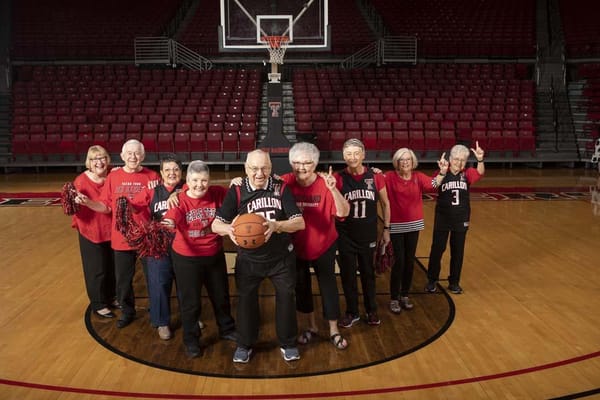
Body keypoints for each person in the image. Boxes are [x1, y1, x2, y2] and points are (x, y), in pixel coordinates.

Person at [212, 149, 305, 363]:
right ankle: (244, 344)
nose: (259, 173)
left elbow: (299, 222)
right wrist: (230, 230)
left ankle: (288, 343)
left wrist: (277, 225)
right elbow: (216, 224)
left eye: (264, 168)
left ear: (271, 169)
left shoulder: (281, 188)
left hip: (280, 258)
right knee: (245, 302)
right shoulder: (236, 190)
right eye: (254, 168)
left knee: (286, 299)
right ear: (246, 169)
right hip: (249, 260)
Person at [77, 139, 160, 328]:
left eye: (137, 153)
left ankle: (157, 311)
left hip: (145, 236)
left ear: (143, 156)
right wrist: (88, 202)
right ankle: (127, 311)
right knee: (123, 280)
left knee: (153, 277)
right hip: (121, 237)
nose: (133, 157)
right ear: (122, 156)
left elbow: (159, 206)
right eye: (129, 153)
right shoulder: (114, 177)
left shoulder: (153, 176)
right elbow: (106, 207)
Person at [162, 160, 237, 358]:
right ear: (187, 181)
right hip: (187, 258)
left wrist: (238, 181)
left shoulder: (217, 193)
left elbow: (235, 192)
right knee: (191, 303)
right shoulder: (179, 200)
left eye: (204, 180)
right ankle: (191, 340)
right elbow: (171, 218)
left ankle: (227, 329)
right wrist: (167, 224)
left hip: (214, 254)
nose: (199, 185)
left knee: (221, 296)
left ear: (209, 180)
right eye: (195, 180)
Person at [281, 142, 350, 350]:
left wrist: (333, 190)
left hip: (323, 245)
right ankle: (310, 327)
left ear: (316, 163)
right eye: (297, 162)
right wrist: (237, 181)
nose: (301, 167)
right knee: (302, 289)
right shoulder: (285, 181)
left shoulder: (327, 182)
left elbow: (344, 212)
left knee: (328, 288)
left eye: (307, 163)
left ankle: (333, 330)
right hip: (297, 246)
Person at [384, 148, 448, 314]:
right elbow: (375, 181)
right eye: (402, 160)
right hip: (396, 226)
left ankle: (404, 295)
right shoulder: (389, 177)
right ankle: (393, 298)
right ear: (396, 162)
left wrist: (442, 171)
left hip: (414, 225)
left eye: (408, 159)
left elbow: (433, 185)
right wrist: (374, 171)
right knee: (399, 263)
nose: (405, 162)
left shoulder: (418, 177)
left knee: (410, 262)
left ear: (413, 162)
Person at [335, 138, 391, 328]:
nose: (352, 157)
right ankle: (352, 312)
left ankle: (371, 310)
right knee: (348, 276)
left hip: (368, 234)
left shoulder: (375, 177)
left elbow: (385, 204)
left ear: (363, 155)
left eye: (356, 153)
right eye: (348, 154)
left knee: (368, 274)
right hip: (345, 235)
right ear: (343, 156)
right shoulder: (337, 178)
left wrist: (387, 229)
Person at [128, 154, 184, 340]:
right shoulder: (152, 191)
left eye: (175, 169)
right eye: (167, 170)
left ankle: (190, 317)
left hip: (183, 242)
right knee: (159, 283)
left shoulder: (188, 187)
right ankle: (162, 322)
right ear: (161, 173)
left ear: (181, 172)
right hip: (158, 244)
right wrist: (124, 202)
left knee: (186, 283)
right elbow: (135, 206)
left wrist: (180, 193)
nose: (171, 173)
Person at [425, 142, 485, 294]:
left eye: (463, 160)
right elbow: (432, 185)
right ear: (450, 158)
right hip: (443, 218)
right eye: (456, 159)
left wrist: (480, 160)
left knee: (457, 251)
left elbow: (480, 172)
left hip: (461, 218)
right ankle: (432, 280)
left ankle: (454, 282)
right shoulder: (442, 172)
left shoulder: (467, 173)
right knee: (437, 249)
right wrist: (441, 172)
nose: (459, 162)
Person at [72, 145, 116, 318]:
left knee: (112, 266)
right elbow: (74, 207)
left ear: (108, 160)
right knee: (96, 268)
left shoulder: (114, 175)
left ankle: (112, 297)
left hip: (111, 227)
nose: (99, 162)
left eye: (102, 158)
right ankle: (98, 303)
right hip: (91, 229)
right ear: (88, 162)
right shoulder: (81, 181)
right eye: (94, 159)